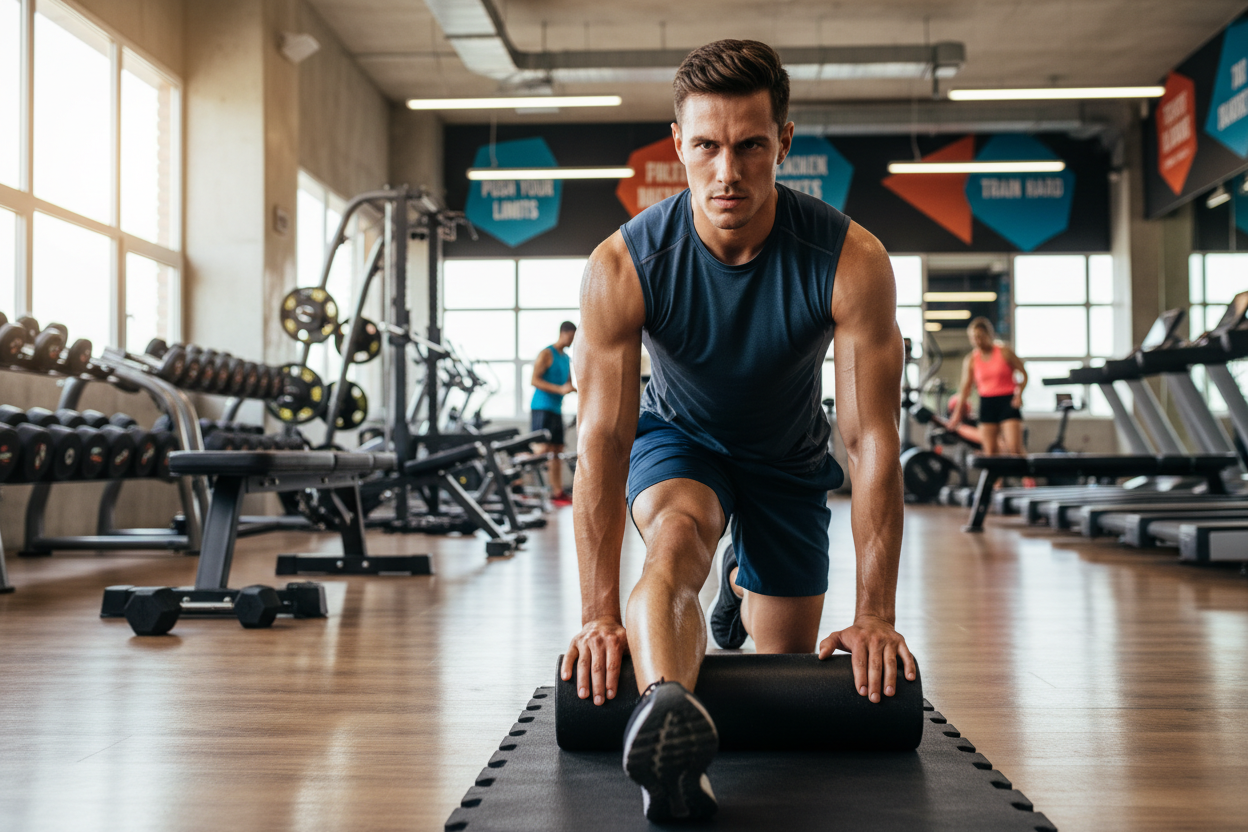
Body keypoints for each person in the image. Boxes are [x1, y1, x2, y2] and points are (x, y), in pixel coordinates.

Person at [559, 39, 917, 823]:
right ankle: (663, 714)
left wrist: (877, 616)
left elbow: (870, 442)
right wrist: (597, 616)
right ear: (678, 145)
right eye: (709, 146)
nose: (729, 171)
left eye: (751, 146)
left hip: (790, 459)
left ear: (783, 142)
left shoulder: (850, 259)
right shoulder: (623, 265)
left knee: (783, 666)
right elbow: (602, 443)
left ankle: (735, 592)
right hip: (681, 441)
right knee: (678, 538)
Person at [949, 317, 1027, 456]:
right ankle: (996, 479)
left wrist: (1019, 395)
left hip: (1007, 402)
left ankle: (1028, 478)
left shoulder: (1004, 351)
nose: (977, 341)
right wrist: (957, 415)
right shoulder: (972, 359)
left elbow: (1024, 374)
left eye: (980, 336)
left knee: (1014, 449)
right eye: (973, 338)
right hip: (987, 403)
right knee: (990, 453)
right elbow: (966, 389)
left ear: (989, 335)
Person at [530, 321, 576, 504]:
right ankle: (515, 473)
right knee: (542, 450)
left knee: (557, 450)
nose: (572, 341)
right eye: (570, 337)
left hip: (556, 409)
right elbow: (534, 380)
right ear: (563, 333)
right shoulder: (546, 353)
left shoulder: (566, 358)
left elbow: (569, 384)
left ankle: (557, 492)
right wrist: (559, 390)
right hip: (542, 407)